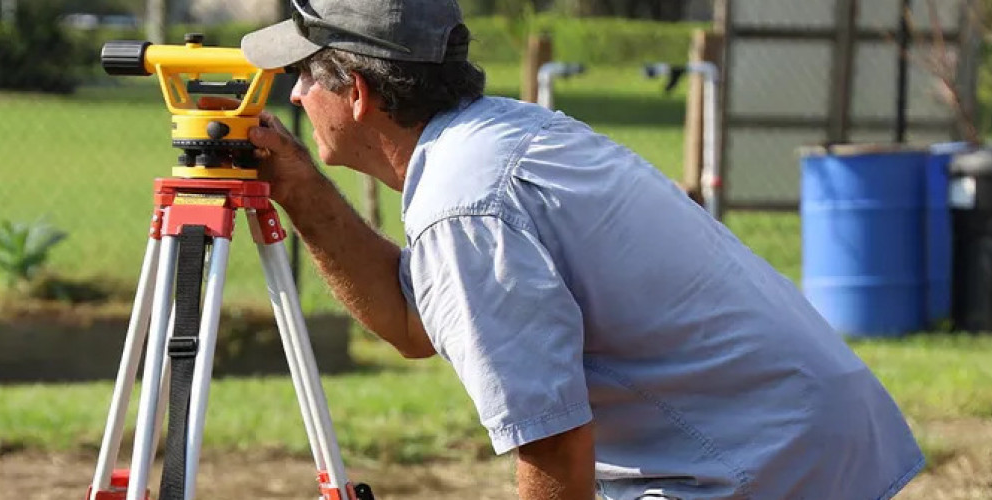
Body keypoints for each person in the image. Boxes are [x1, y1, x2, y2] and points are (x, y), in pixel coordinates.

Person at [230, 0, 925, 498]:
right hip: (796, 432)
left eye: (304, 73)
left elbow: (555, 446)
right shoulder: (497, 136)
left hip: (751, 461)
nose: (297, 92)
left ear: (356, 92)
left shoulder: (465, 204)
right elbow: (414, 325)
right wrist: (300, 189)